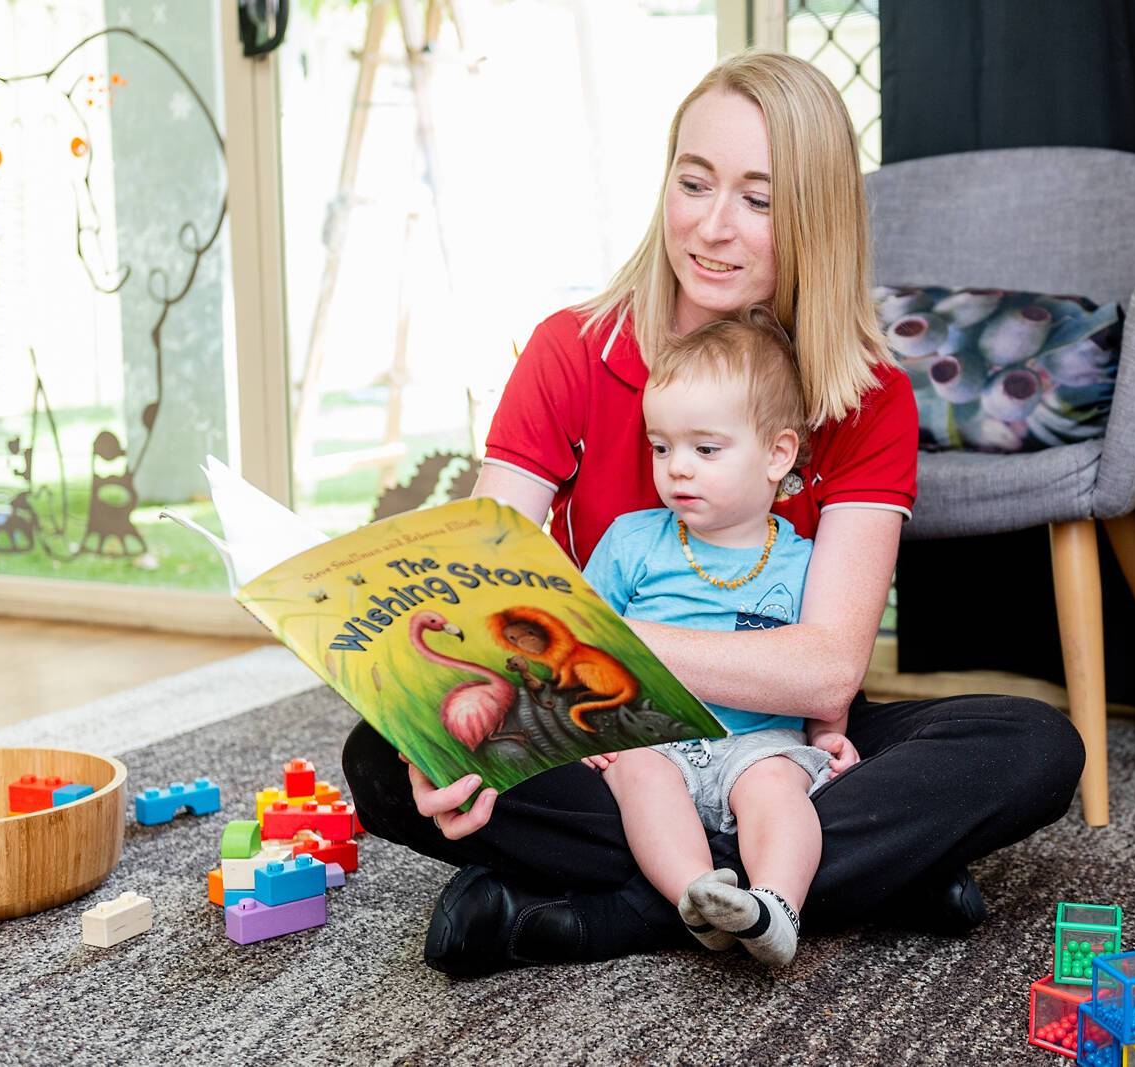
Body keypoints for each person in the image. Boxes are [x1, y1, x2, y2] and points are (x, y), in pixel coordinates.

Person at [341, 49, 1085, 978]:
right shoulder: (571, 351)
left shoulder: (869, 397)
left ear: (813, 220)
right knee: (383, 755)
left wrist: (602, 636)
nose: (712, 227)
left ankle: (620, 908)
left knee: (1032, 745)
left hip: (774, 739)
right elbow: (479, 598)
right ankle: (848, 879)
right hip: (616, 743)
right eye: (693, 184)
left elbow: (823, 671)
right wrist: (440, 724)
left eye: (759, 201)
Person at [581, 309, 845, 968]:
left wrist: (829, 729)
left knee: (777, 792)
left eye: (705, 449)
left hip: (757, 741)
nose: (677, 470)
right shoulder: (632, 541)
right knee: (637, 775)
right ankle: (696, 896)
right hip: (653, 734)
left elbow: (822, 658)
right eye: (662, 446)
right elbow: (579, 643)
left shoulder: (804, 559)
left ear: (777, 454)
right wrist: (589, 727)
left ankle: (775, 905)